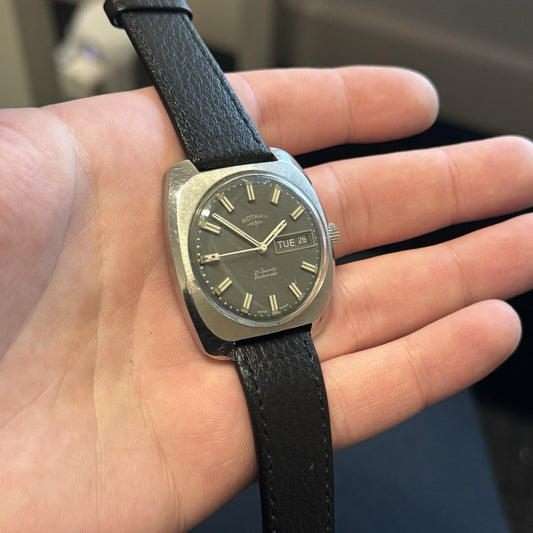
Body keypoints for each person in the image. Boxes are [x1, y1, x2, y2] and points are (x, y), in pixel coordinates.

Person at [0, 66, 532, 533]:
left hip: (284, 306)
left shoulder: (271, 184)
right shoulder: (197, 189)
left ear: (326, 234)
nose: (262, 247)